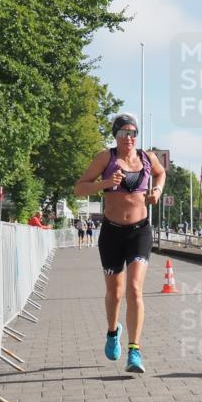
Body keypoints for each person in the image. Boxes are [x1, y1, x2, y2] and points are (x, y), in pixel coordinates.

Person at [74, 112, 166, 373]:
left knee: (135, 289)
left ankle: (134, 351)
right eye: (124, 133)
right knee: (115, 293)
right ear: (115, 135)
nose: (129, 138)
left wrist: (157, 191)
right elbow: (79, 188)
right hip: (112, 233)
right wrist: (105, 182)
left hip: (140, 231)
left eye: (133, 133)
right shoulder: (106, 158)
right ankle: (113, 332)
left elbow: (160, 175)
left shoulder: (147, 158)